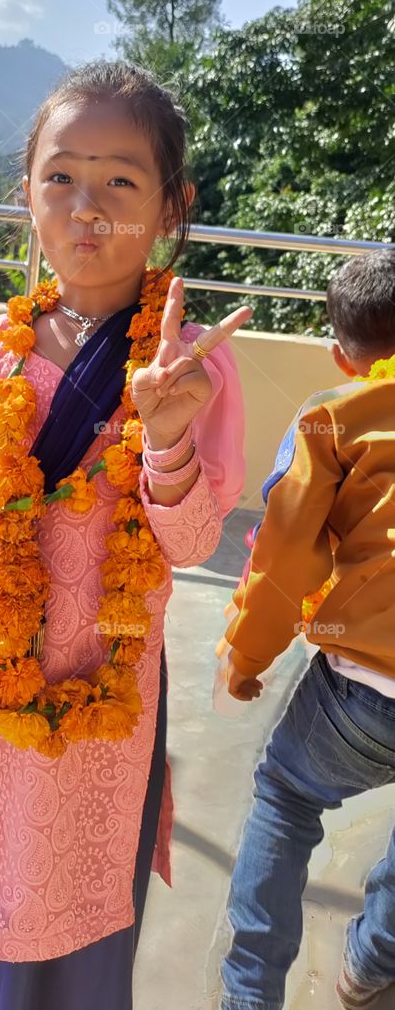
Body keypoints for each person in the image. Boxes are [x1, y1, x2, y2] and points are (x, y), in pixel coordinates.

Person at [0, 60, 250, 1010]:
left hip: (101, 694)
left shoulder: (190, 370)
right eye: (61, 176)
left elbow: (191, 545)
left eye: (120, 180)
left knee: (66, 887)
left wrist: (166, 439)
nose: (87, 207)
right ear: (26, 194)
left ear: (171, 206)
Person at [219, 248, 395, 1010]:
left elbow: (286, 557)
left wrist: (245, 654)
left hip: (364, 686)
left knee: (286, 800)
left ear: (339, 355)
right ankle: (371, 964)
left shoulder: (332, 417)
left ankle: (249, 997)